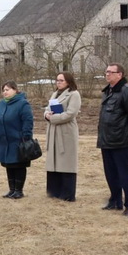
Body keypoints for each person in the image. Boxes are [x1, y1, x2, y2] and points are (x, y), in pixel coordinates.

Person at [97, 62, 128, 217]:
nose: (107, 74)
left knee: (125, 174)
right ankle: (115, 201)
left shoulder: (126, 91)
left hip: (121, 141)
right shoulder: (108, 91)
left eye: (110, 72)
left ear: (119, 74)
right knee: (111, 173)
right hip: (106, 140)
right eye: (106, 71)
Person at [0, 81, 34, 199]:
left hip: (17, 140)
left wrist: (25, 137)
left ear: (15, 90)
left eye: (8, 89)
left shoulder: (23, 104)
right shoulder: (1, 104)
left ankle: (19, 190)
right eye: (4, 90)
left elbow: (28, 121)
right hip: (4, 140)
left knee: (18, 164)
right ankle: (11, 190)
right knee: (8, 164)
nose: (5, 92)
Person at [43, 72, 81, 201]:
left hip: (66, 132)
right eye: (57, 80)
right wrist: (47, 115)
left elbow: (71, 114)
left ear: (68, 82)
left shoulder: (74, 94)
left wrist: (52, 118)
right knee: (53, 161)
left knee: (66, 162)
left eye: (61, 80)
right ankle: (54, 191)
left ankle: (67, 194)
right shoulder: (55, 94)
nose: (58, 82)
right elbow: (47, 109)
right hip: (53, 131)